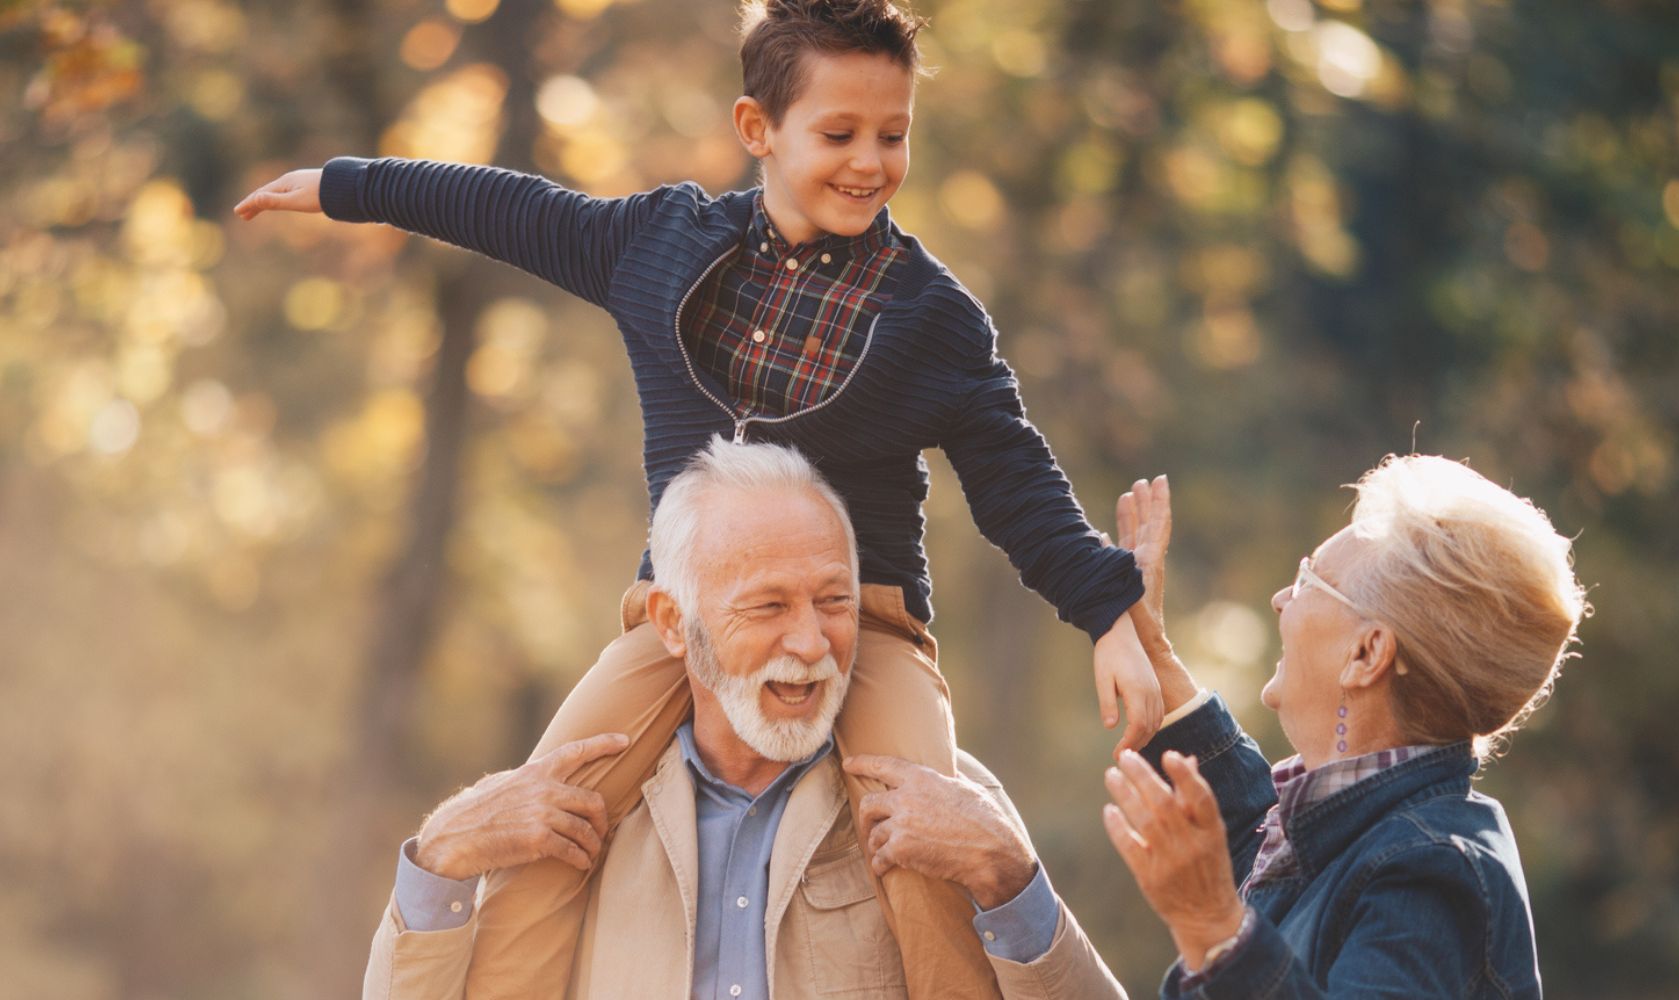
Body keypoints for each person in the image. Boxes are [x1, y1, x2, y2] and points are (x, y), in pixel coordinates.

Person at [235, 2, 1162, 996]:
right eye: (837, 134)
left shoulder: (928, 317)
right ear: (757, 129)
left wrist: (1107, 610)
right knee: (550, 808)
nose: (870, 162)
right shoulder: (662, 245)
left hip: (868, 626)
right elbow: (508, 208)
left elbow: (1014, 475)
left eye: (893, 135)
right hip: (681, 618)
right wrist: (347, 186)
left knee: (920, 825)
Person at [363, 439, 1125, 999]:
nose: (810, 641)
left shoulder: (944, 801)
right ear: (671, 621)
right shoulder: (582, 818)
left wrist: (1012, 882)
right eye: (767, 606)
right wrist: (440, 856)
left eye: (834, 602)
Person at [1100, 456, 1589, 998]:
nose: (1281, 599)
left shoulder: (1432, 874)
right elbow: (1250, 844)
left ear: (1367, 653)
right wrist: (1151, 646)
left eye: (1307, 579)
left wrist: (1215, 933)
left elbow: (1241, 905)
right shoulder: (1359, 833)